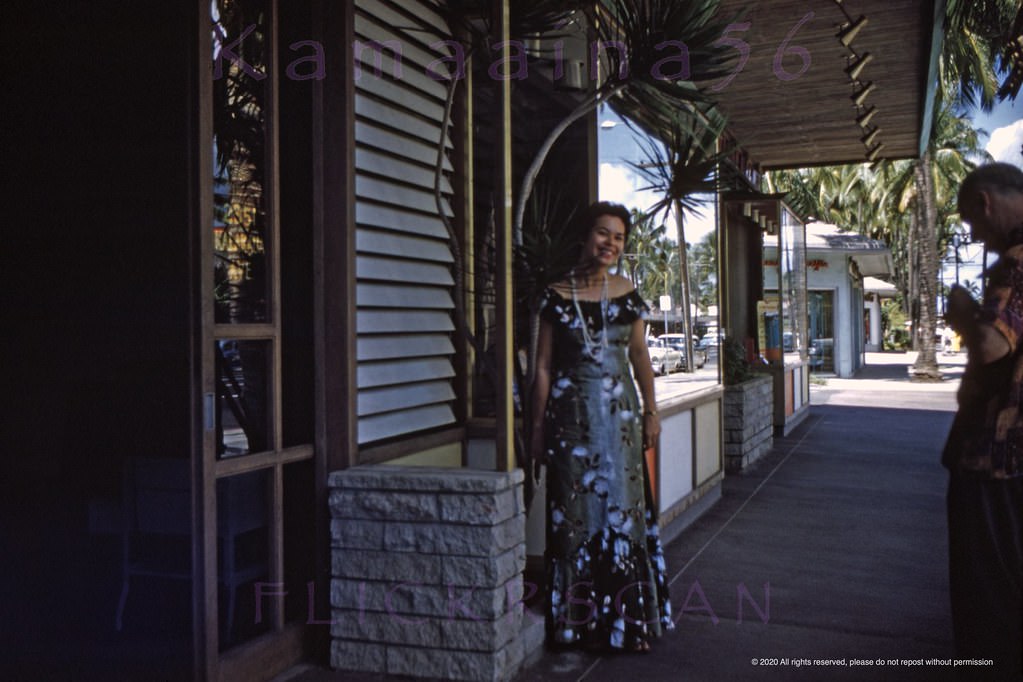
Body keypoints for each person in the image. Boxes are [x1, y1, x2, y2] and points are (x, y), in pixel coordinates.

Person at [529, 201, 673, 653]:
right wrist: (534, 431)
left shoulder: (629, 294)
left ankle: (631, 623)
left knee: (625, 516)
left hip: (621, 424)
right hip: (570, 425)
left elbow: (640, 359)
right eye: (602, 233)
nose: (610, 243)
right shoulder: (555, 294)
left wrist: (652, 411)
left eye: (619, 237)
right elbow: (544, 368)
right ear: (585, 236)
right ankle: (575, 624)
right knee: (573, 517)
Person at [943, 162, 1023, 679]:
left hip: (995, 456)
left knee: (988, 593)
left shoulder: (1015, 264)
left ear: (985, 203)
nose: (975, 235)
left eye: (971, 221)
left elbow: (993, 343)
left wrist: (964, 312)